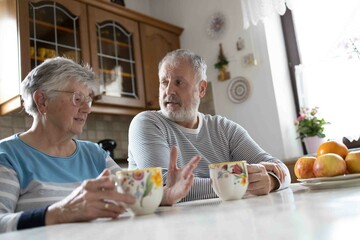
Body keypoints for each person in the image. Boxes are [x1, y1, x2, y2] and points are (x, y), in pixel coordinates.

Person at [0, 57, 200, 233]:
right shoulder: (8, 155)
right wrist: (59, 213)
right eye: (77, 99)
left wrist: (165, 195)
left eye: (88, 100)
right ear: (42, 100)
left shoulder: (94, 153)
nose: (87, 108)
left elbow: (131, 196)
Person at [128, 49, 291, 202]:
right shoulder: (146, 123)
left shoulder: (225, 129)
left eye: (178, 82)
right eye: (164, 82)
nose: (169, 90)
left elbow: (279, 169)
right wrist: (243, 182)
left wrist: (271, 180)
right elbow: (163, 187)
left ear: (201, 89)